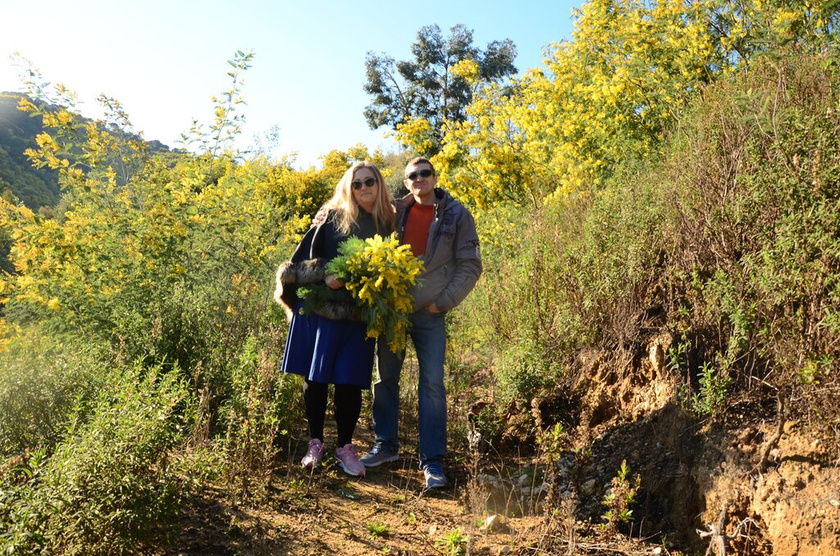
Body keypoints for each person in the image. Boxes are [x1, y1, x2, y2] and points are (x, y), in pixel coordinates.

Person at [360, 157, 482, 488]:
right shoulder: (394, 211)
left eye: (424, 173)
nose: (419, 179)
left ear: (435, 177)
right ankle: (386, 447)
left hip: (431, 314)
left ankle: (432, 462)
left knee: (431, 385)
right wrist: (324, 214)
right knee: (384, 379)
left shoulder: (457, 214)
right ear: (406, 182)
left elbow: (470, 265)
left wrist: (441, 302)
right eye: (412, 176)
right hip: (394, 312)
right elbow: (354, 212)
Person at [274, 161, 395, 477]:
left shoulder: (388, 221)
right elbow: (296, 266)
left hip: (358, 315)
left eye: (369, 181)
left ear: (379, 184)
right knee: (315, 379)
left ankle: (345, 446)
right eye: (357, 184)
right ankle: (315, 443)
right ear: (348, 187)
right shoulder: (330, 218)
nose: (364, 188)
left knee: (349, 382)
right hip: (321, 312)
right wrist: (325, 273)